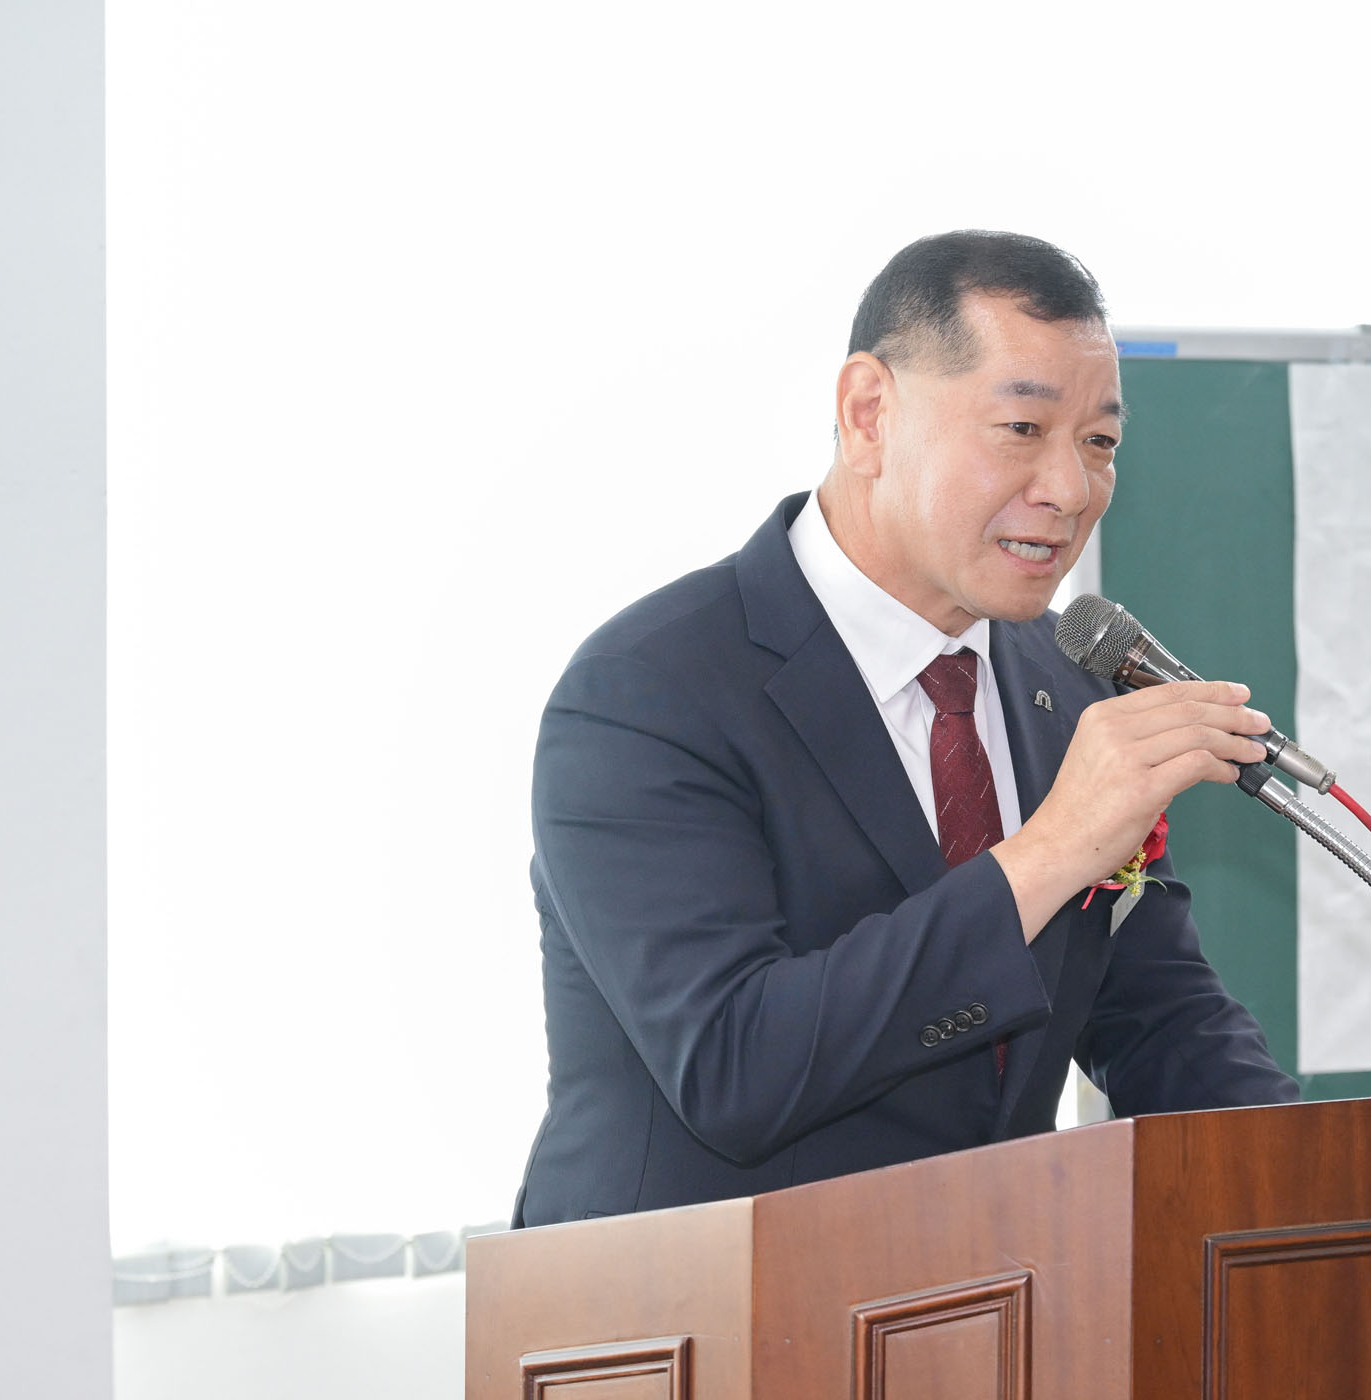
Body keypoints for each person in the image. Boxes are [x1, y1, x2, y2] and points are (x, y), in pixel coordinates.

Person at [512, 230, 1298, 1227]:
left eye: (1099, 442)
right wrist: (1051, 851)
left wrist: (1339, 1180)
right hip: (687, 1299)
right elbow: (734, 1066)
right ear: (869, 414)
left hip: (985, 1287)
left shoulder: (1066, 687)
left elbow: (1159, 1018)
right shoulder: (647, 691)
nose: (1070, 490)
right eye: (1022, 427)